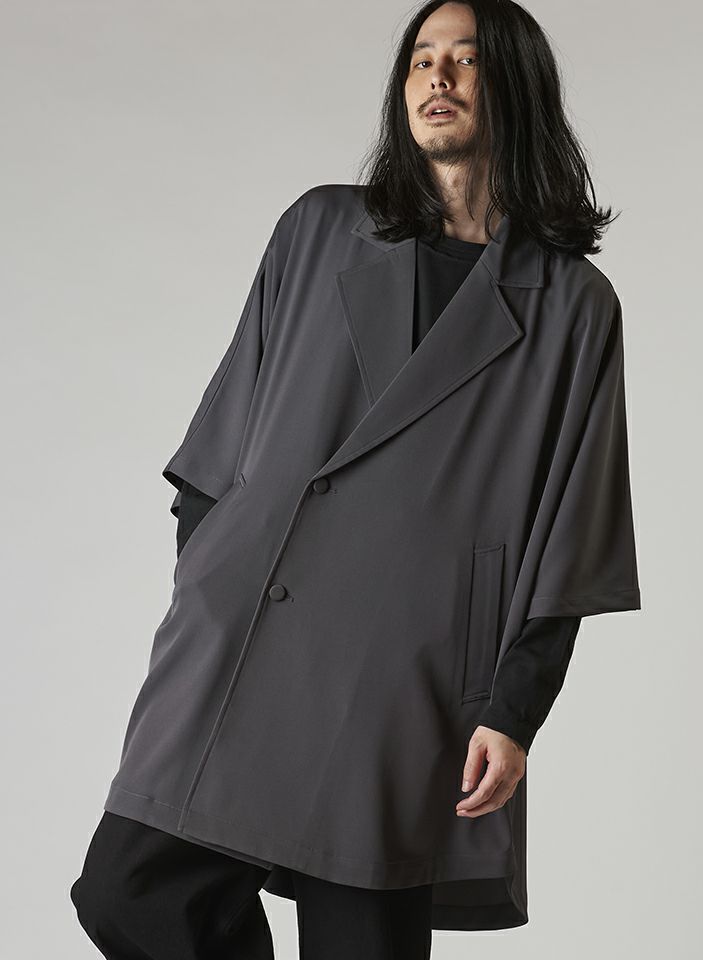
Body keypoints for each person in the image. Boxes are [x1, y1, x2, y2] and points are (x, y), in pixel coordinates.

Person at [70, 1, 640, 957]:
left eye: (466, 59)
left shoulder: (572, 306)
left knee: (362, 942)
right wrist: (208, 591)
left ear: (517, 85)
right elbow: (218, 444)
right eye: (421, 58)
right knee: (130, 892)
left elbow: (574, 533)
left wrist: (514, 709)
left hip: (406, 677)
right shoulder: (320, 229)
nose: (437, 77)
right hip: (252, 632)